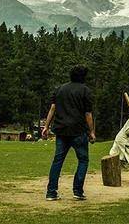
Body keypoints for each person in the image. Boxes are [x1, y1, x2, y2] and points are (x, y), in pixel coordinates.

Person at [42, 65, 95, 201]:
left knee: (57, 161)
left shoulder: (60, 89)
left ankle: (51, 192)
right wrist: (92, 131)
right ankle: (78, 190)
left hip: (61, 130)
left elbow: (53, 108)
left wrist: (46, 126)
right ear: (84, 76)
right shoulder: (85, 91)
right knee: (83, 160)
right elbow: (88, 114)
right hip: (78, 131)